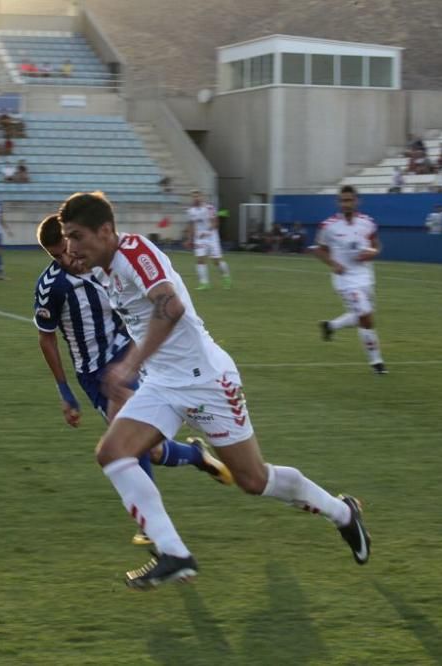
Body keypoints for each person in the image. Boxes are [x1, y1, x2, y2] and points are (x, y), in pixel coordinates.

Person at [59, 191, 370, 589]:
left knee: (253, 480)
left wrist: (128, 366)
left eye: (77, 235)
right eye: (68, 237)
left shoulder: (135, 251)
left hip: (206, 381)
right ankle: (173, 553)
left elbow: (170, 307)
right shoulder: (106, 270)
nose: (71, 246)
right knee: (112, 453)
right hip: (163, 383)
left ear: (105, 231)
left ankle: (342, 513)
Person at [34, 214, 233, 544]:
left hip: (127, 361)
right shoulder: (50, 287)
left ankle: (152, 527)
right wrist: (64, 390)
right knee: (150, 453)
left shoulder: (103, 268)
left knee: (126, 443)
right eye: (57, 255)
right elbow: (46, 338)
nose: (67, 258)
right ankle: (195, 455)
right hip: (94, 374)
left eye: (68, 249)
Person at [314, 186, 388, 375]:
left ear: (357, 201)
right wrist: (333, 264)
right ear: (338, 203)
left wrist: (372, 253)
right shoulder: (329, 226)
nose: (346, 204)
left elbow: (376, 245)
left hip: (366, 277)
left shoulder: (368, 223)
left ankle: (330, 326)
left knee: (361, 316)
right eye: (342, 201)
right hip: (345, 280)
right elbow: (319, 249)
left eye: (349, 200)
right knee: (366, 317)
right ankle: (377, 363)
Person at [186, 190, 231, 290]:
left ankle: (226, 277)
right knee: (200, 259)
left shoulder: (209, 208)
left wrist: (206, 232)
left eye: (197, 196)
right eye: (194, 197)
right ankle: (204, 283)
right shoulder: (191, 211)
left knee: (216, 261)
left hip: (212, 238)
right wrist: (190, 239)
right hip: (199, 238)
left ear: (201, 197)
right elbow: (191, 225)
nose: (196, 198)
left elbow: (215, 223)